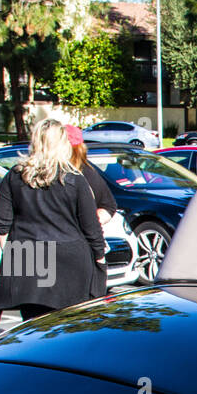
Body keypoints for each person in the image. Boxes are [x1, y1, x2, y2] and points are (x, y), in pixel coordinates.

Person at [0, 118, 105, 327]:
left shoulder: (14, 177)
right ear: (63, 144)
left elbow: (2, 226)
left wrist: (14, 258)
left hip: (29, 254)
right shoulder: (74, 179)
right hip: (69, 258)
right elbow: (91, 227)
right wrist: (99, 257)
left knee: (34, 327)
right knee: (69, 328)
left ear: (35, 142)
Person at [66, 124, 116, 301]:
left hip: (71, 251)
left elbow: (108, 206)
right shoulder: (87, 173)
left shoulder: (85, 174)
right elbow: (109, 206)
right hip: (79, 251)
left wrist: (91, 220)